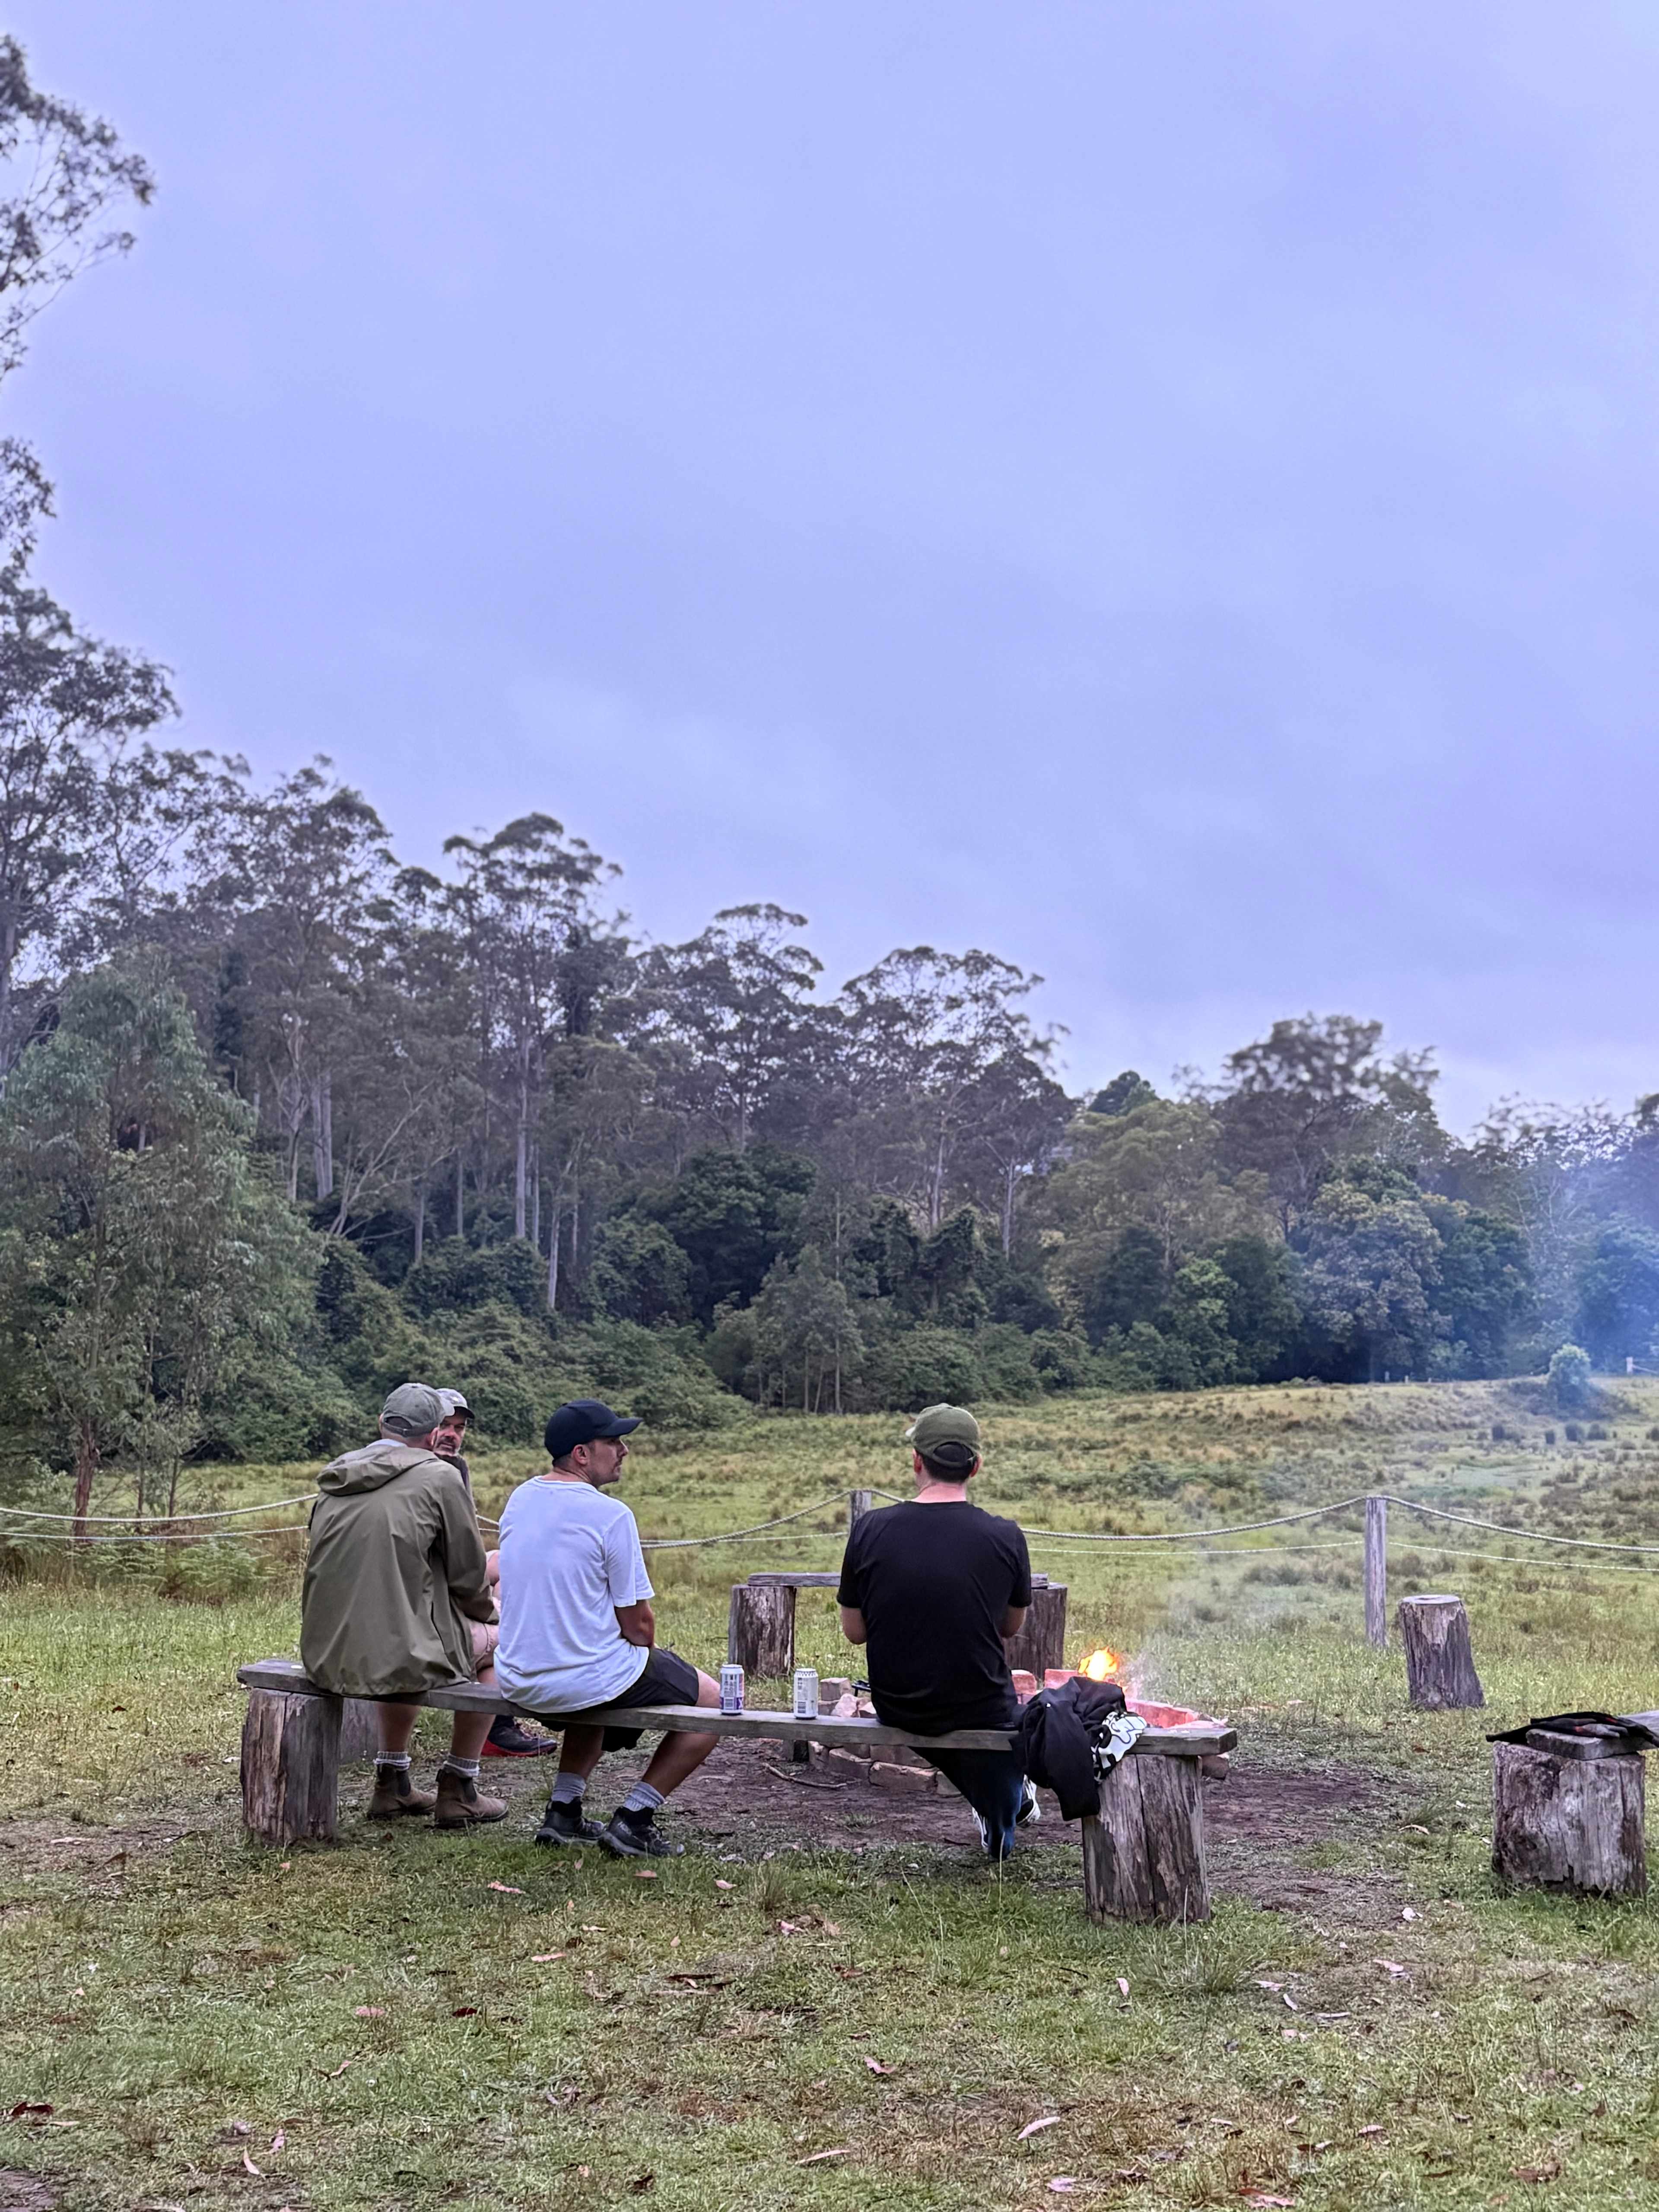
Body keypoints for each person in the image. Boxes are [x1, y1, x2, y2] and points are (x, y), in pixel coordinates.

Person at [493, 1398, 721, 1859]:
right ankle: (635, 1818)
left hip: (519, 1676)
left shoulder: (520, 1498)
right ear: (582, 1453)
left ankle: (564, 1812)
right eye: (613, 1441)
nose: (624, 1450)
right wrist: (645, 1647)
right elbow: (639, 1626)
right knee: (714, 1701)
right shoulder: (611, 1515)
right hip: (581, 1678)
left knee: (595, 1671)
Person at [300, 1382, 508, 1829]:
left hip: (324, 1651)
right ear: (433, 1434)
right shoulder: (440, 1476)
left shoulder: (337, 1474)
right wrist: (491, 1614)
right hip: (397, 1653)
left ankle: (392, 1777)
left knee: (401, 1634)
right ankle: (461, 1785)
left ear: (382, 1423)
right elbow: (469, 1576)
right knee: (502, 1648)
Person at [837, 1403, 1039, 1861]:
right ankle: (1003, 1804)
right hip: (982, 1703)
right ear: (976, 1466)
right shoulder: (1006, 1535)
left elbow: (854, 1632)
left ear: (916, 1460)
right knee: (1003, 1723)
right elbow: (1012, 1627)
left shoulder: (870, 1528)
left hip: (899, 1703)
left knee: (950, 1717)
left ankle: (1003, 1804)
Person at [429, 1386, 557, 1762]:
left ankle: (497, 1725)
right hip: (423, 1597)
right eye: (444, 1425)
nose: (452, 1435)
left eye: (459, 1428)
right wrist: (487, 1607)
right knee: (515, 1634)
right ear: (424, 1425)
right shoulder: (424, 1473)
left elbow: (460, 1545)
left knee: (504, 1563)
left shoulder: (456, 1468)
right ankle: (496, 1728)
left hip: (438, 1584)